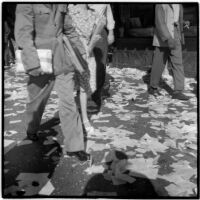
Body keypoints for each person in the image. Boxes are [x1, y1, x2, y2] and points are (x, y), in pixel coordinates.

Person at [14, 4, 90, 161]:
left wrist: (81, 50)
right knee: (36, 100)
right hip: (39, 59)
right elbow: (23, 34)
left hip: (62, 59)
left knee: (68, 101)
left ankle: (75, 146)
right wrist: (32, 63)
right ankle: (32, 128)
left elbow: (68, 29)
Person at [68, 4, 104, 134]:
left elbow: (95, 33)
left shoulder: (95, 15)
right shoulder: (69, 10)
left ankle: (84, 119)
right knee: (68, 86)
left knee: (84, 87)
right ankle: (70, 118)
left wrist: (91, 44)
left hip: (88, 53)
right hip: (71, 51)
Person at [148, 4, 190, 100]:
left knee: (178, 63)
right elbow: (159, 22)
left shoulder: (179, 4)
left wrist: (183, 23)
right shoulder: (161, 4)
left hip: (176, 33)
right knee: (159, 63)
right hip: (163, 35)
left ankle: (178, 91)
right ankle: (153, 87)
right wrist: (168, 38)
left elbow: (176, 19)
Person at [88, 4, 115, 108]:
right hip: (84, 31)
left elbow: (109, 14)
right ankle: (82, 95)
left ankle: (96, 96)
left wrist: (111, 32)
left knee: (100, 64)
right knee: (83, 62)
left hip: (100, 31)